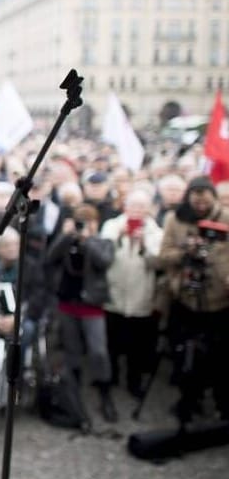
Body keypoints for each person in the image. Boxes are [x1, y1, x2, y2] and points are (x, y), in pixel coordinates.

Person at [158, 176, 229, 422]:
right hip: (185, 298)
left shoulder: (226, 219)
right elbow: (164, 255)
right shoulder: (175, 219)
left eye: (205, 199)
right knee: (183, 352)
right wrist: (185, 251)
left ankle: (221, 402)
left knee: (219, 355)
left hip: (218, 301)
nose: (200, 204)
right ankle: (189, 399)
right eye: (195, 199)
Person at [47, 204, 117, 424]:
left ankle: (104, 392)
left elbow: (104, 262)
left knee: (98, 351)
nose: (83, 225)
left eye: (88, 221)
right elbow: (50, 257)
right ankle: (74, 393)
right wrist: (66, 236)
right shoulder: (68, 240)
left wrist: (87, 240)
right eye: (80, 221)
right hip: (68, 303)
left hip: (91, 306)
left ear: (96, 223)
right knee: (72, 350)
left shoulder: (103, 242)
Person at [100, 189, 163, 398]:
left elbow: (158, 263)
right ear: (125, 207)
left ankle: (133, 381)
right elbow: (102, 255)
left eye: (141, 207)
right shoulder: (111, 225)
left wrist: (143, 244)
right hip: (114, 294)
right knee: (111, 341)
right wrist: (120, 236)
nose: (136, 211)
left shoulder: (156, 232)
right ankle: (111, 376)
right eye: (133, 206)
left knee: (137, 346)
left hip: (140, 296)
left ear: (148, 210)